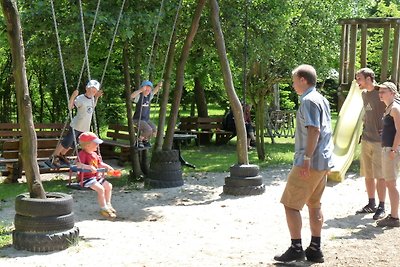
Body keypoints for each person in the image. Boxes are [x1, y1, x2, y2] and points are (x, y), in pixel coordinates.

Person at [274, 64, 333, 263]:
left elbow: (314, 130)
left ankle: (296, 247)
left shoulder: (308, 100)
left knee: (290, 205)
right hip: (323, 161)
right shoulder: (322, 99)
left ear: (302, 79)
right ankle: (315, 249)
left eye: (293, 80)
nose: (292, 85)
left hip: (309, 161)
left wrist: (306, 158)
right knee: (314, 205)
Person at [355, 68, 386, 220]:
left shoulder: (382, 91)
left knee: (380, 176)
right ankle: (371, 204)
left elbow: (395, 106)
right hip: (366, 139)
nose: (356, 81)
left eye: (359, 78)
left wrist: (389, 128)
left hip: (380, 142)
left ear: (368, 78)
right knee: (368, 174)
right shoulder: (364, 95)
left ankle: (382, 206)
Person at [51, 80, 103, 166]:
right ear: (86, 88)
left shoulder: (93, 99)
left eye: (94, 91)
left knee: (73, 145)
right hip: (76, 125)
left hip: (84, 128)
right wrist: (73, 96)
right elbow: (70, 107)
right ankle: (54, 156)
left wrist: (97, 97)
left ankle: (62, 155)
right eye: (91, 89)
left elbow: (93, 106)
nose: (92, 92)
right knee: (67, 142)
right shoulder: (80, 98)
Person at [376, 81, 400, 227]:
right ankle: (393, 215)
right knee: (389, 183)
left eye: (383, 91)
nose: (380, 94)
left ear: (392, 92)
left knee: (391, 183)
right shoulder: (389, 108)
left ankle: (394, 217)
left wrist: (393, 150)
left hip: (391, 150)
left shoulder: (395, 109)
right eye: (379, 91)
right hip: (388, 148)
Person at [76, 131, 116, 219]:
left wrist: (108, 167)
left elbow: (100, 164)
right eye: (96, 144)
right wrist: (89, 167)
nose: (97, 146)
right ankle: (103, 208)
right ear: (87, 145)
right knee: (101, 189)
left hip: (95, 177)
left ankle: (108, 203)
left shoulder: (94, 154)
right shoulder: (82, 154)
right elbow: (79, 164)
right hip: (86, 179)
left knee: (109, 186)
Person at [130, 80, 162, 148]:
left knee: (154, 130)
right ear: (142, 88)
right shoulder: (139, 96)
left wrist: (158, 86)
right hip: (138, 119)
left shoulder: (148, 96)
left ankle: (145, 140)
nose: (148, 90)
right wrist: (140, 90)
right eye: (146, 88)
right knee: (148, 130)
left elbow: (154, 92)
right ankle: (139, 141)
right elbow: (131, 97)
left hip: (146, 119)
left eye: (149, 88)